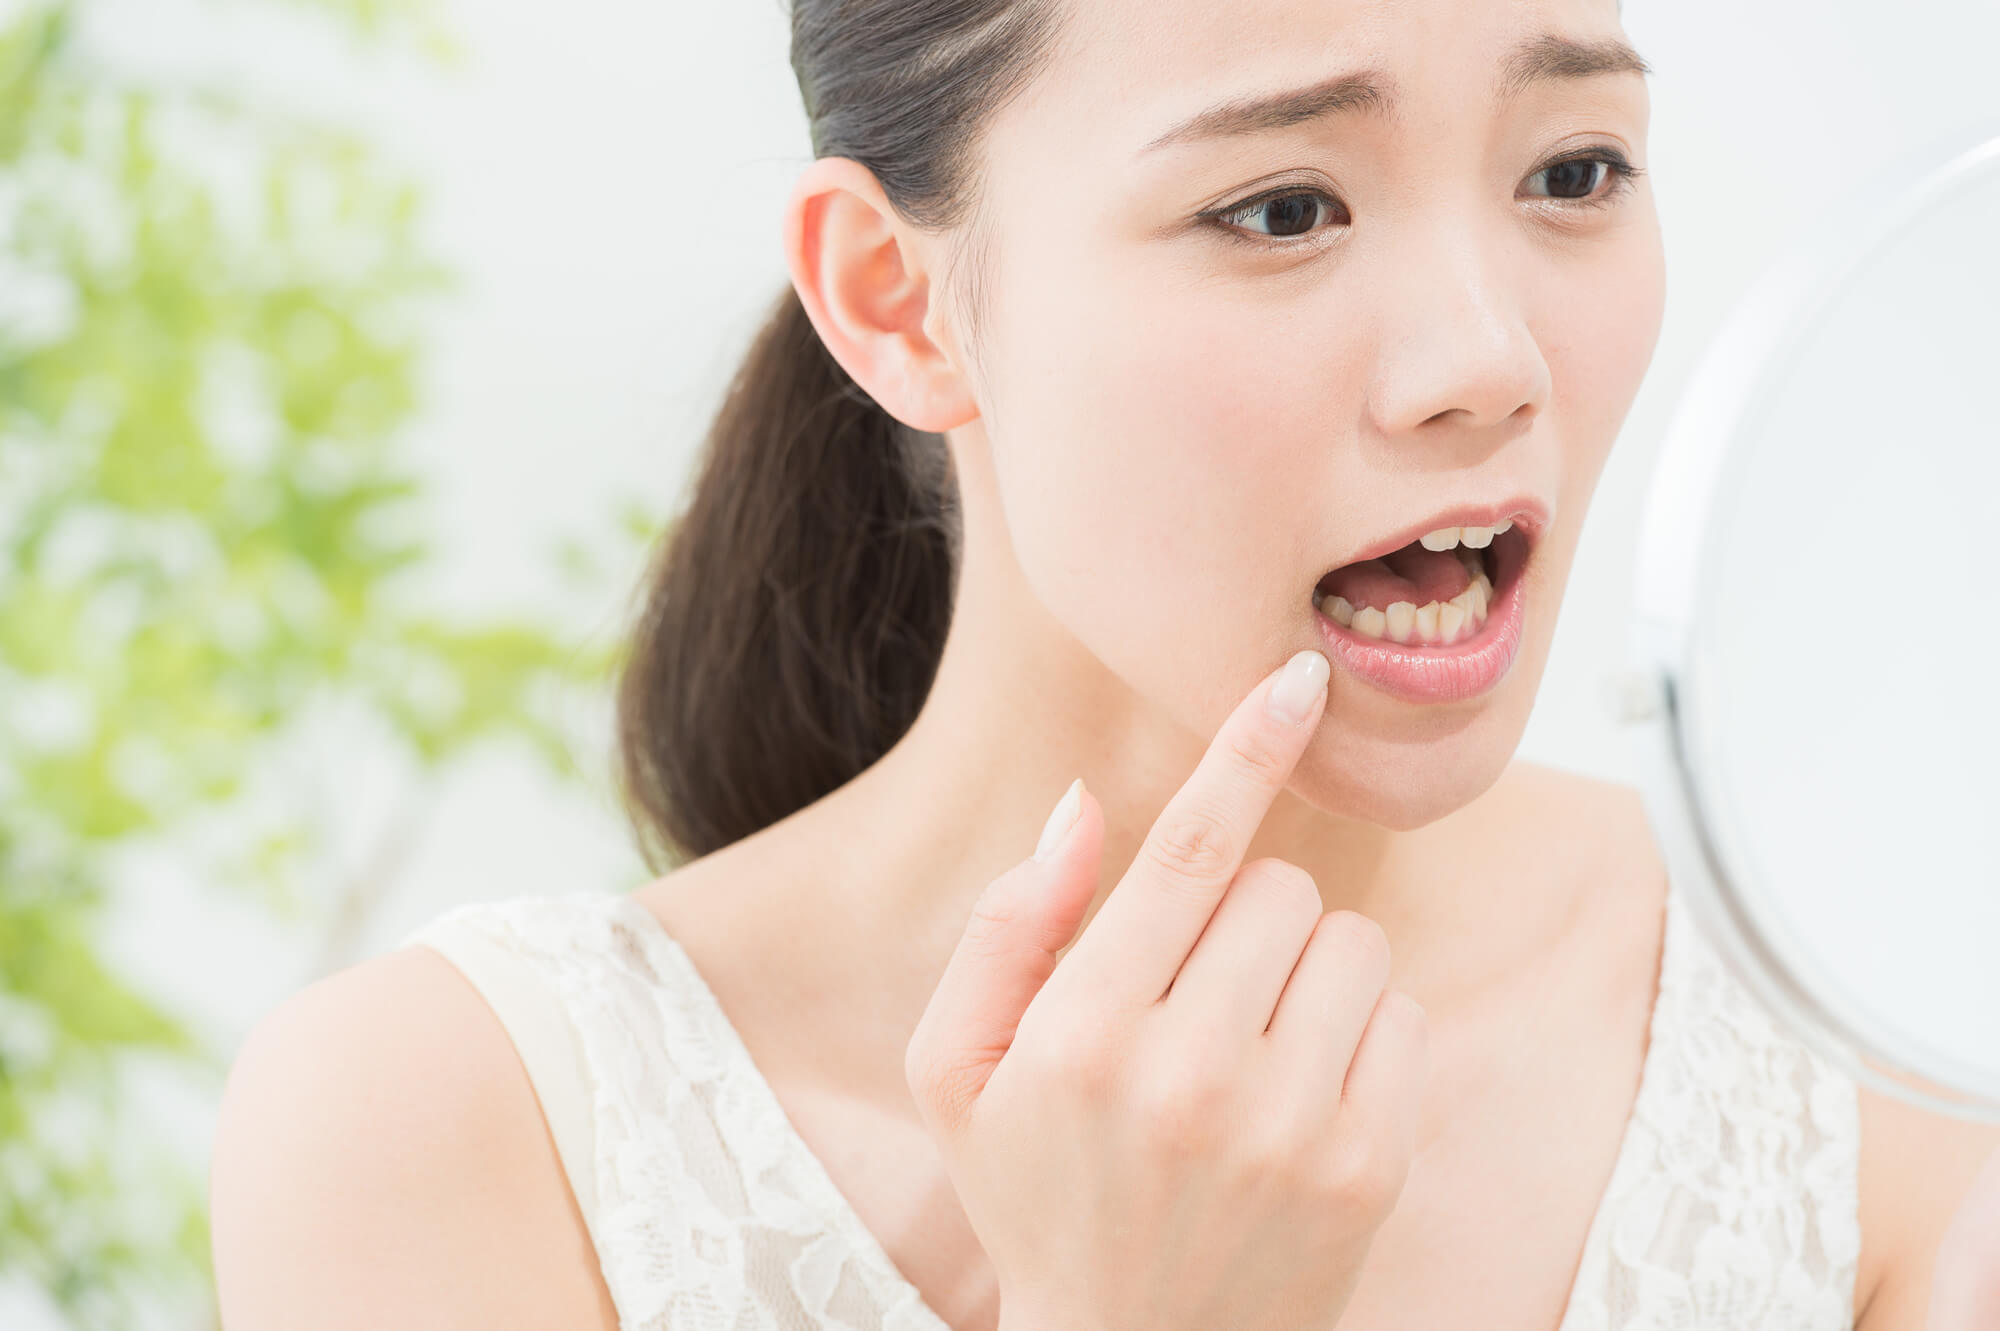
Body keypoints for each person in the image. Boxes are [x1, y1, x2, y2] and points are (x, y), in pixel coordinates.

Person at [207, 0, 2000, 1328]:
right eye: (1284, 207)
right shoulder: (455, 1130)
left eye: (1574, 171)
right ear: (897, 299)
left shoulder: (1867, 1046)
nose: (1490, 358)